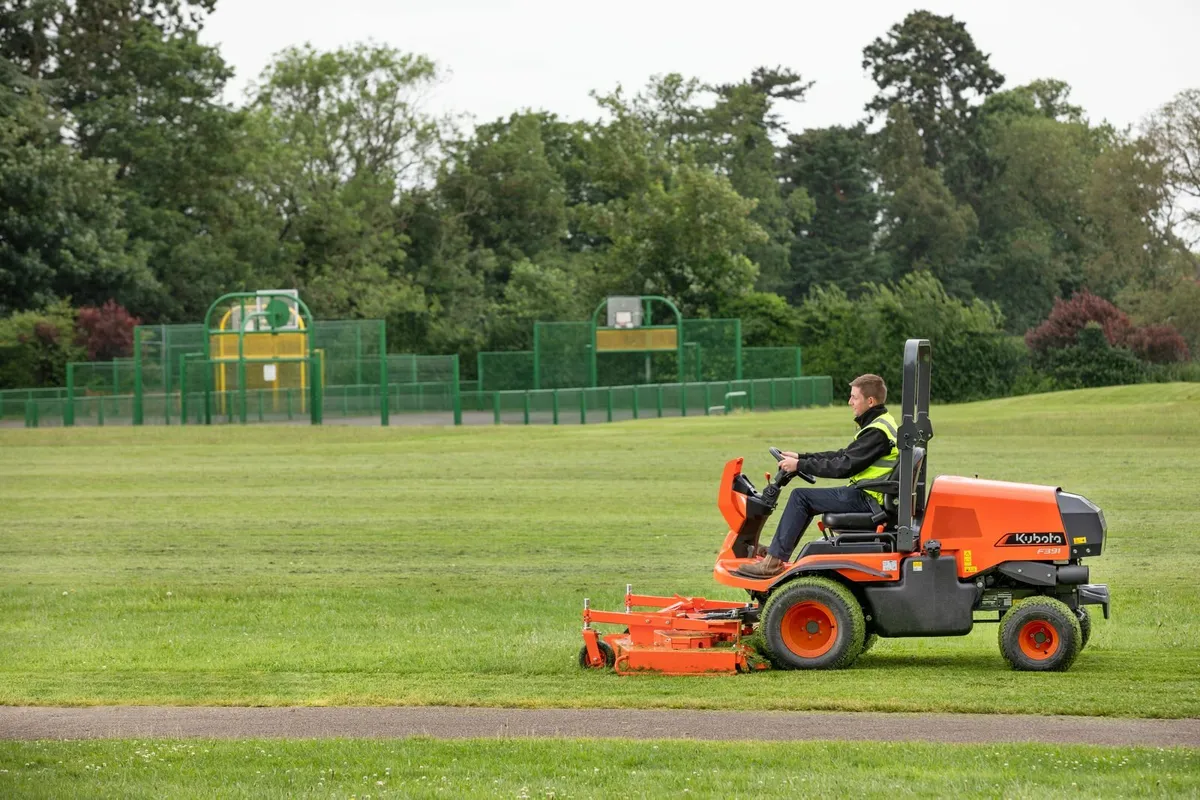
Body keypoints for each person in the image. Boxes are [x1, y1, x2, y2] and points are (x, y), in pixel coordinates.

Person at [736, 374, 900, 579]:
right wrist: (801, 457)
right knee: (803, 498)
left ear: (870, 401)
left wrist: (800, 465)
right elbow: (843, 455)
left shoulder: (877, 432)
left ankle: (772, 563)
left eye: (854, 398)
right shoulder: (882, 423)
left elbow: (843, 466)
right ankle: (776, 555)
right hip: (871, 494)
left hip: (868, 498)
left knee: (800, 497)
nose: (850, 402)